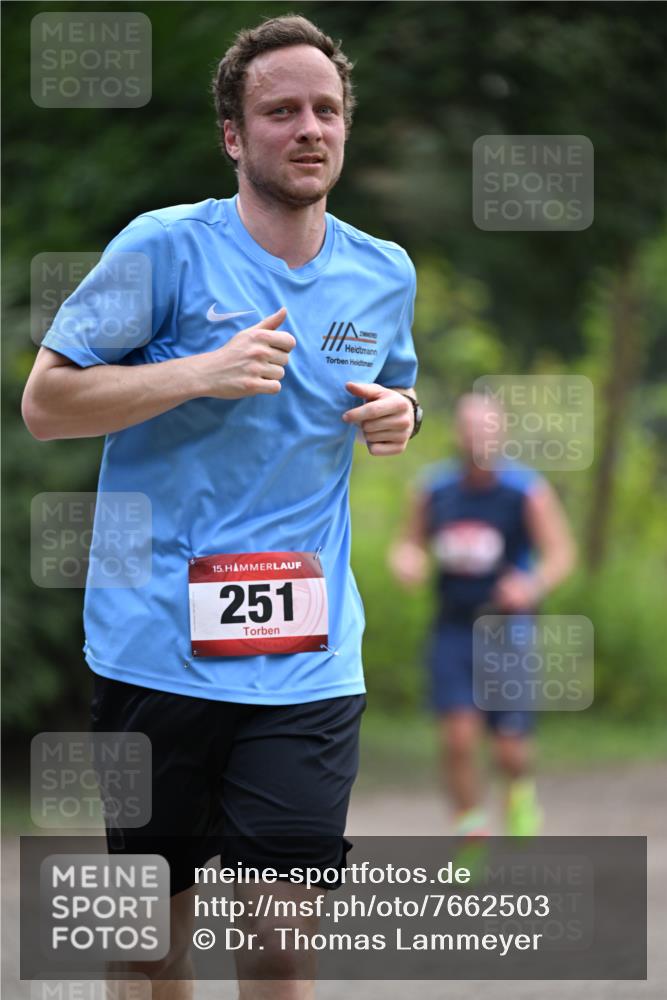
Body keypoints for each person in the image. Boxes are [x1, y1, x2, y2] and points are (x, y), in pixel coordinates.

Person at [21, 15, 421, 1000]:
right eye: (279, 111)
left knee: (281, 936)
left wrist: (403, 412)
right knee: (153, 945)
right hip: (155, 644)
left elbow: (397, 385)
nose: (308, 128)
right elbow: (47, 403)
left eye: (325, 110)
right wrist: (198, 371)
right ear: (236, 138)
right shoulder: (163, 249)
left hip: (308, 656)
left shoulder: (383, 273)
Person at [389, 393, 576, 841]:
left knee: (510, 750)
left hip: (505, 631)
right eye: (468, 427)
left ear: (501, 432)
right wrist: (407, 560)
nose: (477, 436)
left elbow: (560, 553)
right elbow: (408, 542)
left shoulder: (525, 490)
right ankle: (470, 828)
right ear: (457, 432)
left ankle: (518, 792)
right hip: (452, 626)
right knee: (457, 739)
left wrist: (531, 585)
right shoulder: (433, 489)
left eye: (486, 427)